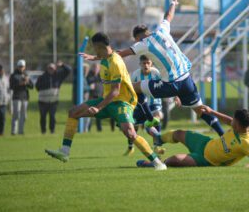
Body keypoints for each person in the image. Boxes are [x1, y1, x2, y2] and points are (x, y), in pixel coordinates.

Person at [45, 32, 167, 171]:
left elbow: (115, 90)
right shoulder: (105, 58)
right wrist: (93, 57)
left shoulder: (115, 62)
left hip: (122, 102)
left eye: (95, 48)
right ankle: (64, 152)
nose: (94, 51)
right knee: (73, 112)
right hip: (108, 100)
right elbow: (107, 55)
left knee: (131, 134)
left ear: (99, 46)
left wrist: (98, 107)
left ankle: (158, 163)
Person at [112, 0, 225, 137]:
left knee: (134, 87)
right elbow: (168, 17)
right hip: (186, 80)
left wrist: (98, 56)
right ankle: (223, 136)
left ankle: (145, 118)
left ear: (138, 38)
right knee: (200, 110)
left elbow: (121, 53)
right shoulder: (162, 31)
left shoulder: (143, 44)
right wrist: (173, 3)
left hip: (171, 84)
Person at [137, 108, 249, 168]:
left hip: (205, 160)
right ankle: (159, 138)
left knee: (174, 160)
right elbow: (228, 119)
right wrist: (211, 112)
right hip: (205, 143)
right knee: (179, 133)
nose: (231, 122)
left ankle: (153, 164)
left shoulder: (246, 143)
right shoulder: (237, 126)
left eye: (234, 121)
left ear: (238, 125)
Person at [124, 55, 165, 156]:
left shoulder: (156, 73)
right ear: (140, 64)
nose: (146, 65)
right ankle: (130, 146)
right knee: (133, 127)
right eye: (144, 63)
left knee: (157, 116)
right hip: (140, 105)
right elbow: (130, 89)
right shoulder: (136, 75)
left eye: (148, 63)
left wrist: (175, 96)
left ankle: (157, 145)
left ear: (151, 63)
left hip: (154, 102)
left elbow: (166, 84)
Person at [35, 61, 71, 134]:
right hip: (43, 101)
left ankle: (52, 131)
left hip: (53, 101)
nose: (51, 70)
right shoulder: (42, 77)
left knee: (52, 117)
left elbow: (69, 70)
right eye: (49, 68)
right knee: (43, 117)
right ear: (47, 69)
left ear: (55, 69)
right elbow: (37, 87)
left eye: (52, 68)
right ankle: (43, 131)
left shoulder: (58, 76)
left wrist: (62, 65)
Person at [9, 59, 34, 135]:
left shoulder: (26, 75)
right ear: (17, 66)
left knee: (24, 116)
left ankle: (21, 131)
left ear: (24, 67)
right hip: (16, 97)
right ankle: (13, 131)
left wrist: (27, 82)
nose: (21, 68)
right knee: (16, 115)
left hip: (25, 98)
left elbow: (32, 86)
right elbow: (11, 86)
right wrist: (19, 84)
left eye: (22, 66)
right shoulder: (13, 75)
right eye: (20, 66)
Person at [86, 63, 104, 132]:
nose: (95, 69)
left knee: (99, 114)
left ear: (99, 68)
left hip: (100, 97)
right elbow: (89, 81)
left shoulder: (101, 75)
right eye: (94, 68)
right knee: (90, 113)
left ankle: (99, 129)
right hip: (92, 97)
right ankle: (88, 128)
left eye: (97, 68)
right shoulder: (89, 75)